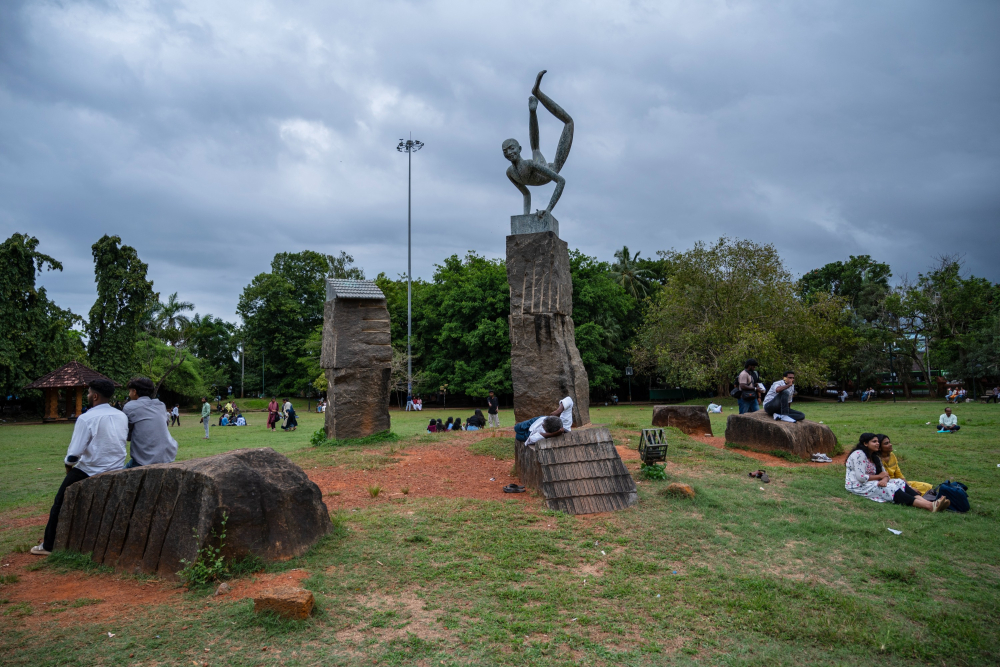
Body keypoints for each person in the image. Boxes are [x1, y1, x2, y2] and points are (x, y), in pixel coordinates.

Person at [31, 379, 127, 555]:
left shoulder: (86, 418)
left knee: (59, 502)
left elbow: (74, 453)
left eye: (89, 393)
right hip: (117, 467)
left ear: (95, 396)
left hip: (91, 468)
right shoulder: (121, 415)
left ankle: (48, 545)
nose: (88, 395)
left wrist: (68, 467)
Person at [845, 433, 949, 512]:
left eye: (877, 441)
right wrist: (879, 477)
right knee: (891, 488)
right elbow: (861, 478)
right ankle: (929, 506)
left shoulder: (875, 457)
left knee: (899, 482)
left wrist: (884, 479)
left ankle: (930, 502)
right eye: (874, 441)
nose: (877, 444)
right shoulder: (859, 454)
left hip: (870, 482)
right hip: (857, 485)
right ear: (865, 443)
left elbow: (885, 474)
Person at [122, 377, 178, 468]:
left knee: (120, 474)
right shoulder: (160, 405)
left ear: (134, 392)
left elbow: (126, 433)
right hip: (168, 455)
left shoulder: (130, 406)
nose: (129, 394)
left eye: (130, 391)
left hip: (145, 458)